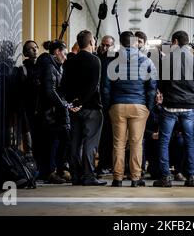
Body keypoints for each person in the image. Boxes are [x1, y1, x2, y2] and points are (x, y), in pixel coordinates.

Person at [103, 31, 157, 187]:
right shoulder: (146, 61)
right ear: (134, 43)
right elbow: (152, 87)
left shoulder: (112, 62)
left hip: (118, 106)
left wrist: (108, 107)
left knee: (118, 143)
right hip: (139, 105)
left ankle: (118, 178)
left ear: (120, 43)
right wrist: (148, 107)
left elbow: (105, 89)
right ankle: (135, 178)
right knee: (136, 143)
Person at [154, 31, 194, 188]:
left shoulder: (167, 60)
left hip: (170, 106)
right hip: (189, 107)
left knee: (164, 141)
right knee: (189, 141)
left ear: (174, 41)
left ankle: (165, 177)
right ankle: (191, 176)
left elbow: (160, 83)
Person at [61, 30, 107, 186]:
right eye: (94, 40)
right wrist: (80, 102)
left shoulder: (69, 61)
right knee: (90, 142)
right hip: (91, 107)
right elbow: (93, 87)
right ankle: (88, 176)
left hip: (74, 109)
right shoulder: (95, 61)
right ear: (91, 43)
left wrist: (71, 104)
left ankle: (76, 175)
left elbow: (63, 86)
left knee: (75, 142)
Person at [36, 40, 72, 184]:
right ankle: (50, 173)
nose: (65, 56)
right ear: (57, 51)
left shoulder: (57, 67)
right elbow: (50, 90)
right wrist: (64, 105)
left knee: (61, 141)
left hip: (55, 112)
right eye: (64, 53)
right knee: (51, 144)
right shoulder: (50, 67)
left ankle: (58, 169)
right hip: (49, 112)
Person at [11, 40, 40, 156]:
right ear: (25, 53)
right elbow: (21, 90)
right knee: (28, 135)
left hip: (40, 107)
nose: (34, 50)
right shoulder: (22, 69)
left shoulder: (43, 66)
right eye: (30, 48)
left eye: (36, 47)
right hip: (28, 107)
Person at [96, 35, 116, 176]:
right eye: (103, 44)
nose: (104, 47)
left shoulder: (115, 61)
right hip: (97, 102)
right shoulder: (97, 58)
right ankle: (102, 164)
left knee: (108, 136)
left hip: (109, 103)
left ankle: (106, 164)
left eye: (108, 45)